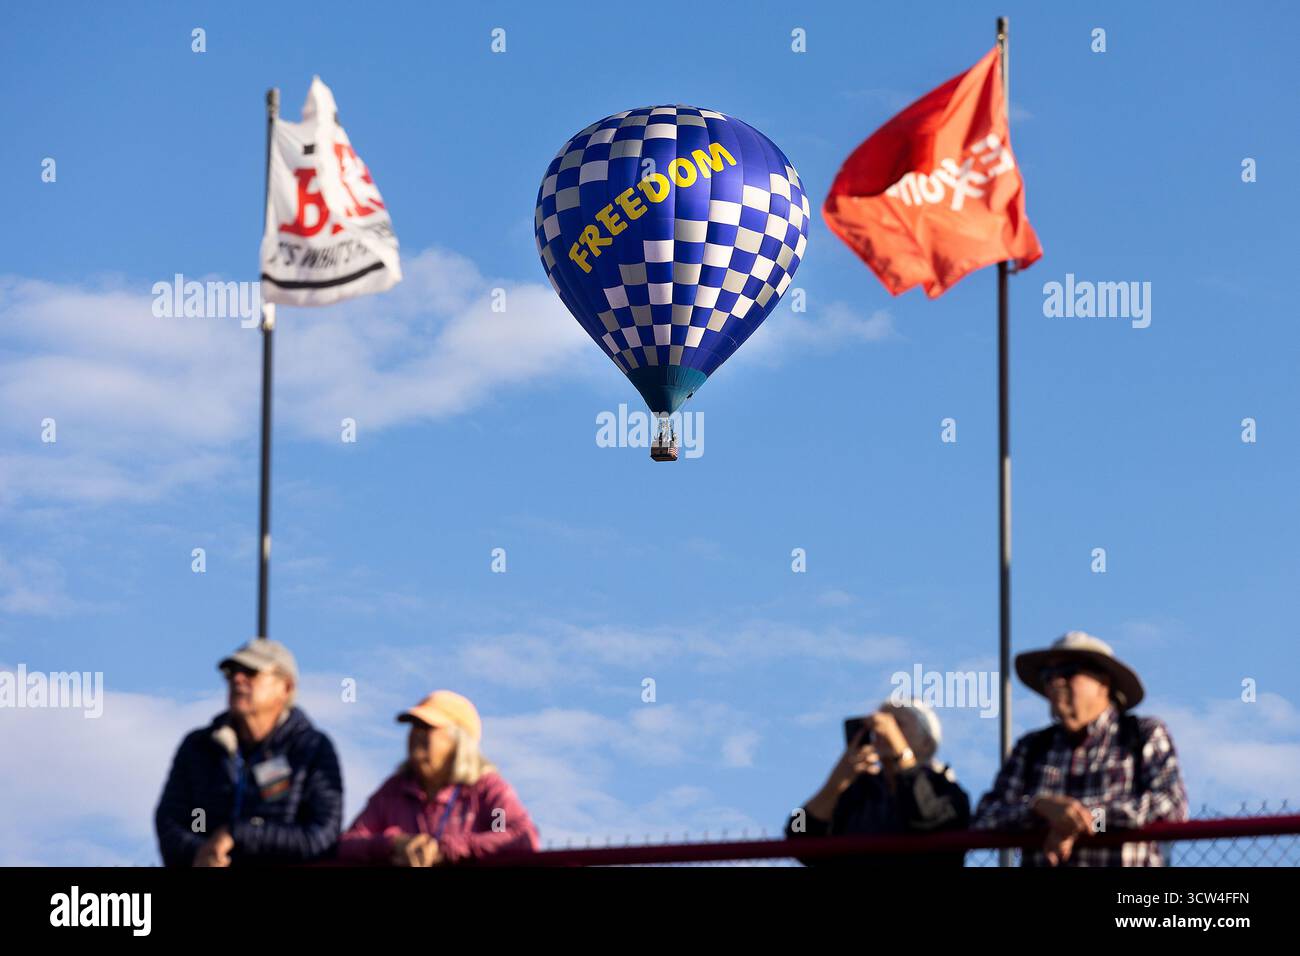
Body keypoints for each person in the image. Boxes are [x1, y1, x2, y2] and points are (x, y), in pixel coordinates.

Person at [973, 631, 1189, 866]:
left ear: (1103, 683)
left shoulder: (1142, 734)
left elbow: (1171, 804)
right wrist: (1039, 808)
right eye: (1048, 675)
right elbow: (987, 816)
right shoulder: (1032, 748)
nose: (1055, 683)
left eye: (1067, 672)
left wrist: (1085, 820)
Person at [155, 638, 343, 867]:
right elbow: (171, 820)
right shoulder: (198, 747)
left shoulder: (312, 749)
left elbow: (321, 836)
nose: (237, 679)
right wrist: (201, 853)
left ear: (286, 687)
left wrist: (239, 834)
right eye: (232, 672)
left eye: (251, 672)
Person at [338, 690, 539, 866]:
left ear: (458, 741)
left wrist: (447, 849)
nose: (416, 735)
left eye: (427, 727)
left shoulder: (486, 790)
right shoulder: (394, 791)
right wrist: (394, 845)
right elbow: (348, 842)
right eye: (414, 727)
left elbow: (519, 835)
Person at [785, 697, 970, 866]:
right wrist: (837, 781)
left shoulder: (945, 789)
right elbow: (796, 830)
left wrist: (901, 755)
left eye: (897, 724)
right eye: (879, 726)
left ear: (927, 743)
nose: (883, 732)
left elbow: (927, 819)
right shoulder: (858, 792)